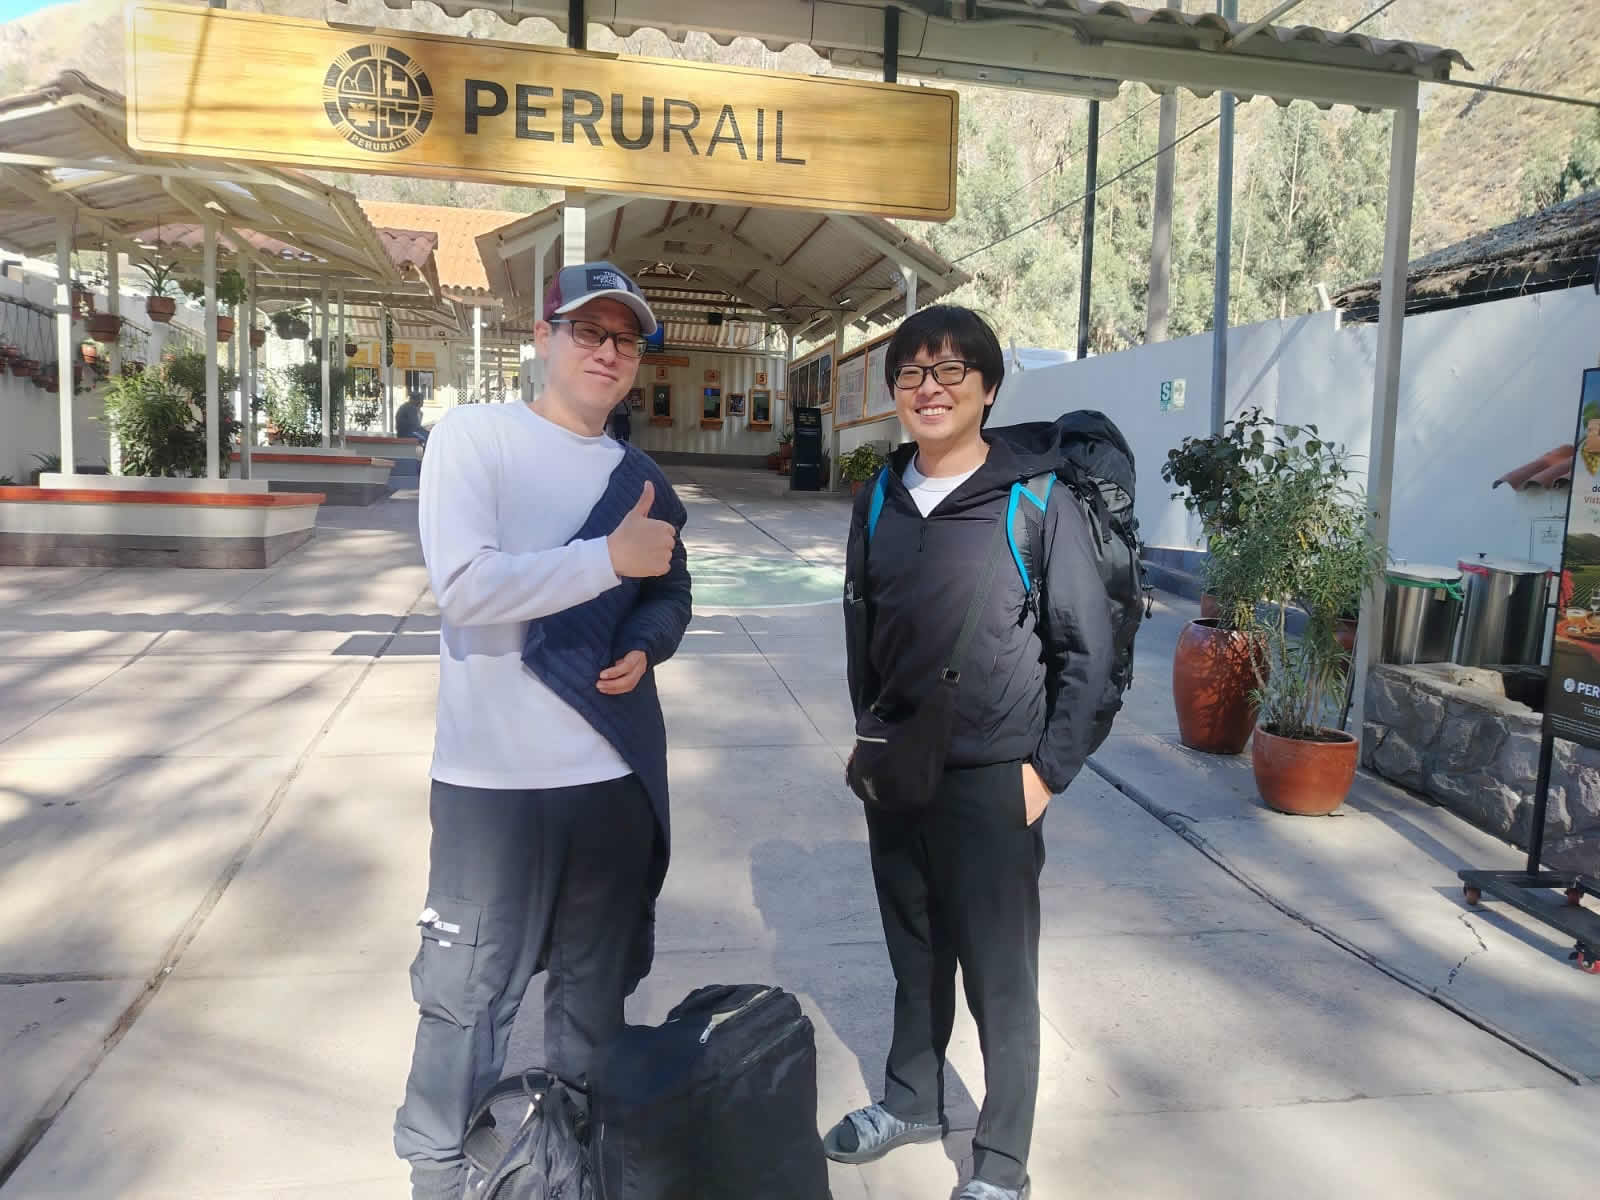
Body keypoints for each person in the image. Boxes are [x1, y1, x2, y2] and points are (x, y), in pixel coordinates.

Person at [396, 262, 693, 1200]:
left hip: (610, 778)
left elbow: (671, 589)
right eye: (588, 331)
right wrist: (607, 559)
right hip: (493, 783)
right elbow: (467, 587)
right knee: (464, 995)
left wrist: (646, 642)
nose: (607, 351)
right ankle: (439, 1171)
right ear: (544, 337)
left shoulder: (640, 479)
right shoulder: (477, 437)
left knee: (591, 1001)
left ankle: (568, 1163)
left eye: (625, 339)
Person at [824, 305, 1114, 1200]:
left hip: (996, 779)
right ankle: (913, 1099)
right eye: (912, 373)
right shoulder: (881, 496)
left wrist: (1045, 774)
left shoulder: (1036, 500)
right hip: (899, 767)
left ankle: (1001, 1164)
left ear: (987, 389)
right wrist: (872, 736)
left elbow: (1089, 654)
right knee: (914, 951)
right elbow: (860, 630)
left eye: (952, 372)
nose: (931, 388)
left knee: (998, 976)